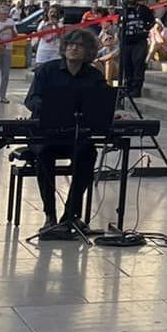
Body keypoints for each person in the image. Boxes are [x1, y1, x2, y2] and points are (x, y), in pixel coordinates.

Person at [24, 28, 110, 240]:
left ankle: (69, 215)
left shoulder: (94, 76)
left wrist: (114, 113)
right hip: (47, 133)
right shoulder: (47, 70)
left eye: (79, 45)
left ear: (87, 51)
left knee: (88, 154)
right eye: (70, 44)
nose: (73, 48)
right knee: (44, 155)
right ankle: (50, 217)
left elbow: (103, 104)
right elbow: (31, 100)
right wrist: (50, 107)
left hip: (76, 134)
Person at [118, 0, 155, 98]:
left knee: (138, 63)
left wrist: (145, 30)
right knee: (127, 65)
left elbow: (152, 21)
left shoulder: (143, 9)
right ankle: (128, 87)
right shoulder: (123, 11)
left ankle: (136, 89)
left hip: (139, 41)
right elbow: (120, 25)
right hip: (126, 42)